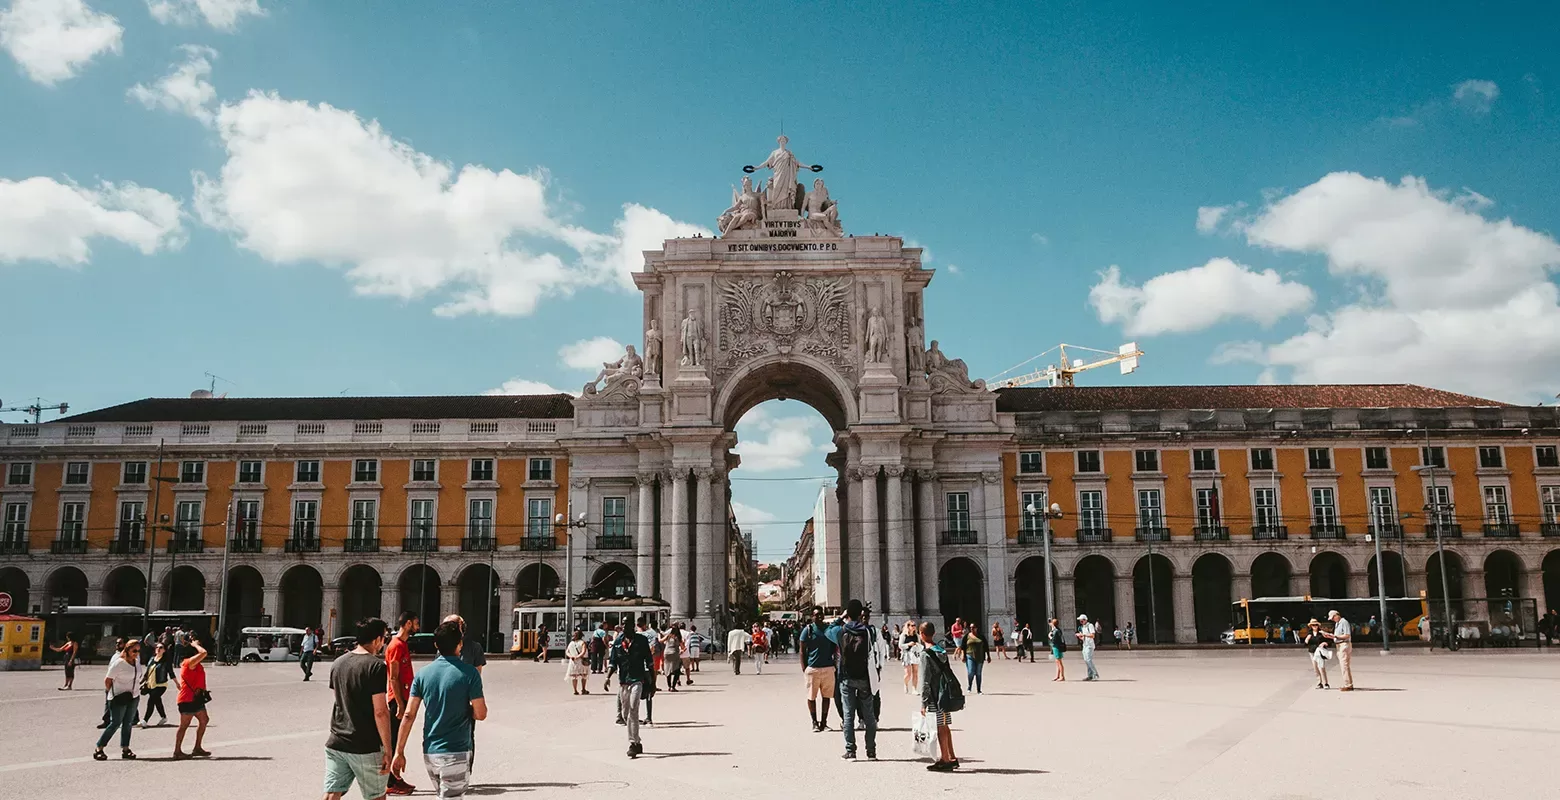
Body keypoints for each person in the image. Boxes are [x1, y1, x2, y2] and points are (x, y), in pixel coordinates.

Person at [392, 621, 487, 798]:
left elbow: (408, 714)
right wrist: (468, 710)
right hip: (456, 751)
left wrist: (399, 752)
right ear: (460, 644)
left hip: (430, 752)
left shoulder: (423, 674)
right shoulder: (469, 673)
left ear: (436, 645)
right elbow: (481, 714)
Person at [324, 617, 393, 800]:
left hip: (337, 741)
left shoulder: (338, 663)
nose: (384, 643)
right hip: (365, 745)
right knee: (376, 796)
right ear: (377, 639)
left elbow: (339, 701)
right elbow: (380, 712)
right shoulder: (375, 666)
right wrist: (388, 748)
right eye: (384, 638)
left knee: (332, 793)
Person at [831, 600, 877, 760]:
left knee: (848, 715)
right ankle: (871, 751)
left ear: (847, 614)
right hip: (865, 677)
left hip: (846, 677)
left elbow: (828, 630)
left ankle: (851, 751)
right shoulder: (869, 631)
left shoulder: (840, 630)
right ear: (860, 614)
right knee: (869, 716)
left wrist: (840, 617)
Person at [385, 612, 420, 795]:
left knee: (398, 741)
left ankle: (395, 778)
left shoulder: (403, 644)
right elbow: (393, 678)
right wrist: (399, 704)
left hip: (403, 698)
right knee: (392, 742)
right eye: (415, 623)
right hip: (397, 700)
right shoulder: (396, 645)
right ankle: (390, 782)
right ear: (407, 624)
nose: (418, 626)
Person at [611, 617, 655, 758]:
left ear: (633, 626)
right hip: (624, 681)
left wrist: (653, 683)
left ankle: (633, 743)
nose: (625, 627)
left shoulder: (641, 641)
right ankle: (637, 742)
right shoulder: (618, 642)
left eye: (628, 624)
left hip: (637, 679)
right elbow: (613, 662)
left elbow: (649, 661)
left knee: (633, 709)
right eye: (623, 624)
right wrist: (607, 678)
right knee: (626, 714)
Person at [918, 621, 959, 771]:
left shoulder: (925, 654)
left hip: (936, 696)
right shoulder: (941, 650)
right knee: (945, 725)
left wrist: (923, 702)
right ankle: (952, 756)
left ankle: (946, 760)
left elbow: (925, 681)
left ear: (921, 635)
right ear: (933, 633)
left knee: (940, 726)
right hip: (945, 693)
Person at [93, 638, 142, 761]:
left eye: (138, 651)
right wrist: (113, 693)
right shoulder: (119, 663)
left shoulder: (136, 662)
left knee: (128, 723)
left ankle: (125, 748)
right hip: (118, 697)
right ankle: (99, 747)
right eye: (134, 650)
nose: (136, 653)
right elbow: (108, 680)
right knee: (115, 723)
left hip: (133, 696)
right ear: (128, 650)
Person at [798, 606, 837, 732]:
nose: (819, 616)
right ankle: (814, 722)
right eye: (816, 614)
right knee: (811, 696)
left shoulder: (828, 629)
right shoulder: (808, 630)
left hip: (828, 667)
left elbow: (834, 647)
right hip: (813, 668)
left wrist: (834, 664)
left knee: (827, 696)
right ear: (812, 616)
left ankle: (824, 723)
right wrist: (804, 668)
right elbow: (802, 650)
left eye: (821, 614)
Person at [173, 634, 211, 759]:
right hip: (187, 699)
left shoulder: (195, 663)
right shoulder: (188, 663)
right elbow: (204, 652)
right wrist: (195, 644)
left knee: (204, 720)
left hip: (196, 698)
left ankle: (197, 747)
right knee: (184, 725)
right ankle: (177, 751)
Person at [140, 642, 176, 728]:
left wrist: (177, 684)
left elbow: (171, 673)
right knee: (157, 701)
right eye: (157, 647)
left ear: (164, 650)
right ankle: (163, 717)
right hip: (150, 684)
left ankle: (145, 720)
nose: (158, 649)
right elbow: (147, 672)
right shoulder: (152, 659)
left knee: (151, 700)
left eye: (161, 647)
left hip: (161, 685)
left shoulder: (166, 661)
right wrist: (141, 682)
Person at [1324, 610, 1354, 691]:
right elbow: (1337, 636)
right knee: (1344, 665)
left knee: (1344, 665)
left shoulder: (1343, 622)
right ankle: (1348, 683)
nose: (1333, 620)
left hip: (1344, 644)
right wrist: (1331, 636)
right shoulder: (1338, 623)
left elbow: (1347, 635)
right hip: (1340, 644)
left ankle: (1348, 684)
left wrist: (1335, 636)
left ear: (1337, 615)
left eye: (1333, 618)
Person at [1303, 619, 1331, 689]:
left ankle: (1326, 683)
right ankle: (1319, 682)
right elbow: (1305, 645)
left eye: (1316, 625)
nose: (1314, 626)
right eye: (1313, 625)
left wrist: (1325, 643)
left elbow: (1330, 641)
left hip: (1319, 652)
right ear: (1311, 626)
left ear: (1318, 626)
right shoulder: (1309, 634)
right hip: (1312, 652)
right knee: (1315, 668)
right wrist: (1306, 640)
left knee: (1321, 667)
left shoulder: (1321, 633)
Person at [963, 626, 987, 693]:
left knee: (978, 673)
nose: (972, 629)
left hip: (980, 656)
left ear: (976, 628)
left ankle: (979, 689)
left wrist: (988, 656)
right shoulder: (967, 636)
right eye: (970, 627)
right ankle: (969, 686)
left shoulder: (981, 636)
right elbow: (963, 646)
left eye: (973, 627)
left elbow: (986, 646)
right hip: (969, 655)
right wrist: (963, 655)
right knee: (971, 672)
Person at [899, 621, 922, 693]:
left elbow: (919, 644)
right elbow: (900, 645)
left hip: (914, 654)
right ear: (908, 627)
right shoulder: (903, 635)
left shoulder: (917, 635)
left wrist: (917, 645)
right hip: (906, 654)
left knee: (915, 672)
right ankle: (905, 684)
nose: (914, 627)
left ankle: (914, 689)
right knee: (908, 673)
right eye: (912, 625)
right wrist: (908, 644)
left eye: (915, 625)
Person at [565, 630, 590, 695]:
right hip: (581, 661)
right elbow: (583, 651)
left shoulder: (571, 643)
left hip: (573, 661)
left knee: (574, 676)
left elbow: (567, 652)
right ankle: (583, 689)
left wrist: (571, 657)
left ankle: (575, 690)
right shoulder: (582, 642)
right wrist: (578, 656)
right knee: (584, 675)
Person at [1077, 614, 1100, 681]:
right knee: (1086, 660)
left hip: (1090, 645)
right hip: (1085, 645)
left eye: (1081, 621)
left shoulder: (1090, 625)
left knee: (1088, 660)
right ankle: (1090, 675)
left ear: (1085, 620)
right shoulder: (1083, 627)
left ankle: (1095, 674)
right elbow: (1085, 637)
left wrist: (1083, 634)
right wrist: (1080, 637)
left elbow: (1092, 635)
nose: (1080, 622)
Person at [660, 624, 683, 691]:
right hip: (674, 653)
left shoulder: (668, 636)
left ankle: (669, 686)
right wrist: (682, 651)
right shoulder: (678, 637)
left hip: (666, 653)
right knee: (677, 670)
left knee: (667, 669)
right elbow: (683, 647)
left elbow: (661, 641)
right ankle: (673, 686)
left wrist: (659, 636)